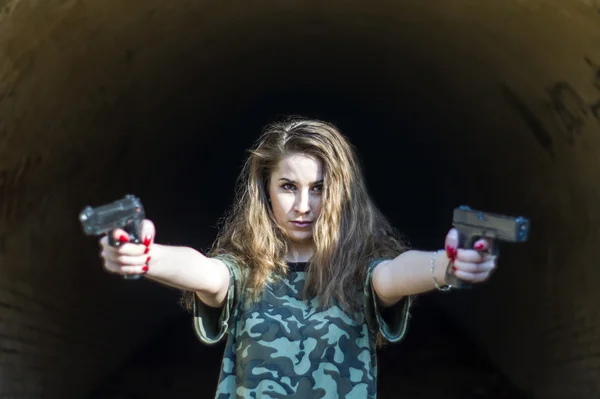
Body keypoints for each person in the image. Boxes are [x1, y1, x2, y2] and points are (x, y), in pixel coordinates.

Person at [98, 117, 497, 398]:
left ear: (339, 193)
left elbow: (395, 275)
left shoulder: (358, 270)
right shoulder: (246, 270)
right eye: (288, 186)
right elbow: (205, 272)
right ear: (266, 191)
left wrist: (447, 265)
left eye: (319, 188)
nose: (303, 205)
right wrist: (146, 257)